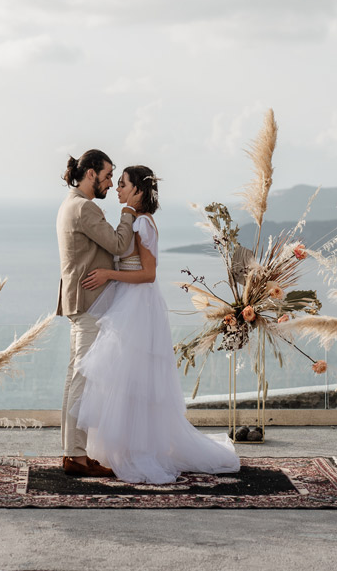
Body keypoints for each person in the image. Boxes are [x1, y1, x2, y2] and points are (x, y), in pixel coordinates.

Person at [75, 165, 241, 484]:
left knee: (136, 378)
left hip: (138, 305)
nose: (119, 190)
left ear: (138, 189)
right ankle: (122, 449)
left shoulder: (143, 224)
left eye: (123, 185)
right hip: (127, 303)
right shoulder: (134, 221)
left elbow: (148, 274)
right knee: (123, 379)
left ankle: (140, 452)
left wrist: (109, 274)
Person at [56, 149, 141, 477]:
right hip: (89, 304)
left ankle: (72, 452)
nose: (109, 183)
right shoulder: (85, 208)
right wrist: (129, 212)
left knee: (74, 377)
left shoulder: (69, 204)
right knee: (82, 377)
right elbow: (119, 245)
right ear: (90, 173)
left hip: (79, 301)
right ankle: (76, 457)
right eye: (107, 176)